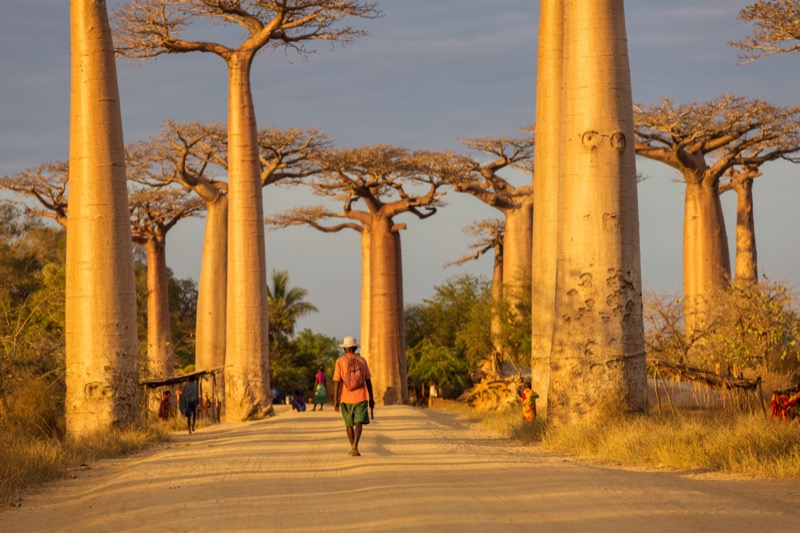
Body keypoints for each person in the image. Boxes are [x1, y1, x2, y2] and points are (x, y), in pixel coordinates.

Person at [333, 336, 374, 457]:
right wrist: (371, 398)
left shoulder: (340, 361)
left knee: (348, 424)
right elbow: (368, 381)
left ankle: (353, 446)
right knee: (358, 422)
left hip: (345, 398)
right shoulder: (362, 361)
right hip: (361, 396)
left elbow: (337, 381)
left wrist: (335, 399)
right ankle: (355, 444)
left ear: (345, 349)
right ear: (355, 348)